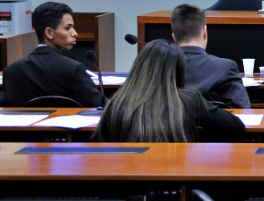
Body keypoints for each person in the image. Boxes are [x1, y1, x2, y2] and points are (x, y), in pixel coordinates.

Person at [96, 40, 244, 142]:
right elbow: (236, 127)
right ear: (178, 71)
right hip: (177, 183)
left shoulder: (115, 103)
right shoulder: (189, 100)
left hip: (128, 183)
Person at [0, 2, 101, 107]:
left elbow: (2, 109)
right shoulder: (74, 69)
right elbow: (99, 105)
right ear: (49, 33)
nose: (75, 33)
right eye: (68, 27)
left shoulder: (12, 71)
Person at [170, 3, 250, 109]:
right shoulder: (225, 67)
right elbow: (242, 113)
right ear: (204, 32)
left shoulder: (159, 68)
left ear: (174, 38)